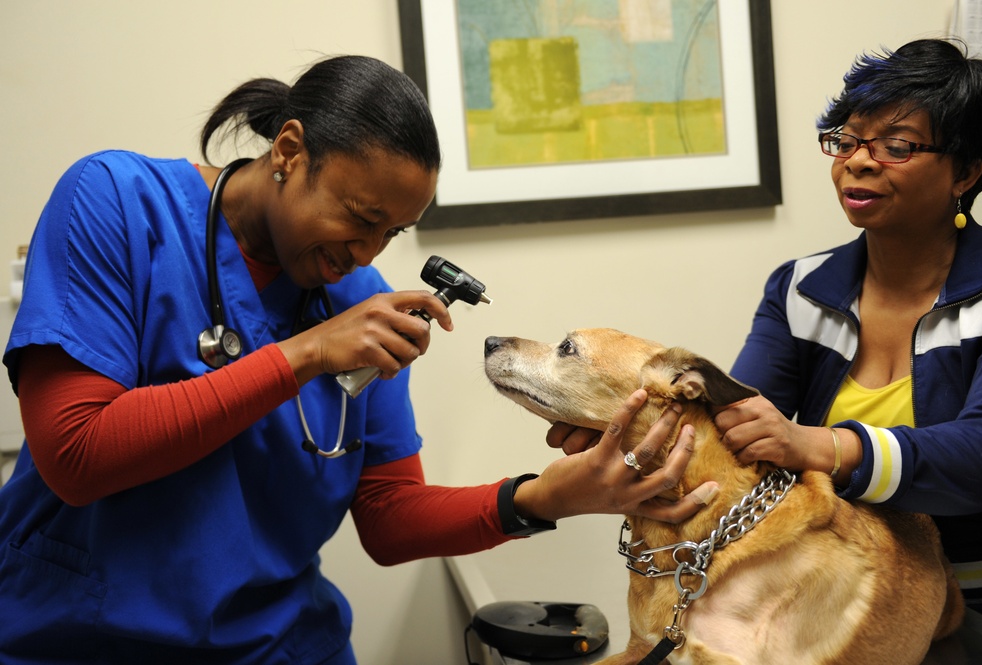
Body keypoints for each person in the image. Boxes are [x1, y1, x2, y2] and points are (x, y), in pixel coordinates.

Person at [0, 55, 713, 664]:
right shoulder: (117, 206)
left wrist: (553, 494)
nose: (368, 254)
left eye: (392, 231)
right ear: (288, 152)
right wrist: (304, 354)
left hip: (277, 645)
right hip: (83, 639)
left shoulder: (355, 296)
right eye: (361, 218)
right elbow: (76, 451)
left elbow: (387, 516)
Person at [711, 38, 982, 622]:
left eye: (896, 146)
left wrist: (821, 445)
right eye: (846, 140)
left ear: (966, 172)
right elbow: (739, 422)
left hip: (981, 601)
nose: (858, 162)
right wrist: (628, 421)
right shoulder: (799, 288)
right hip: (842, 592)